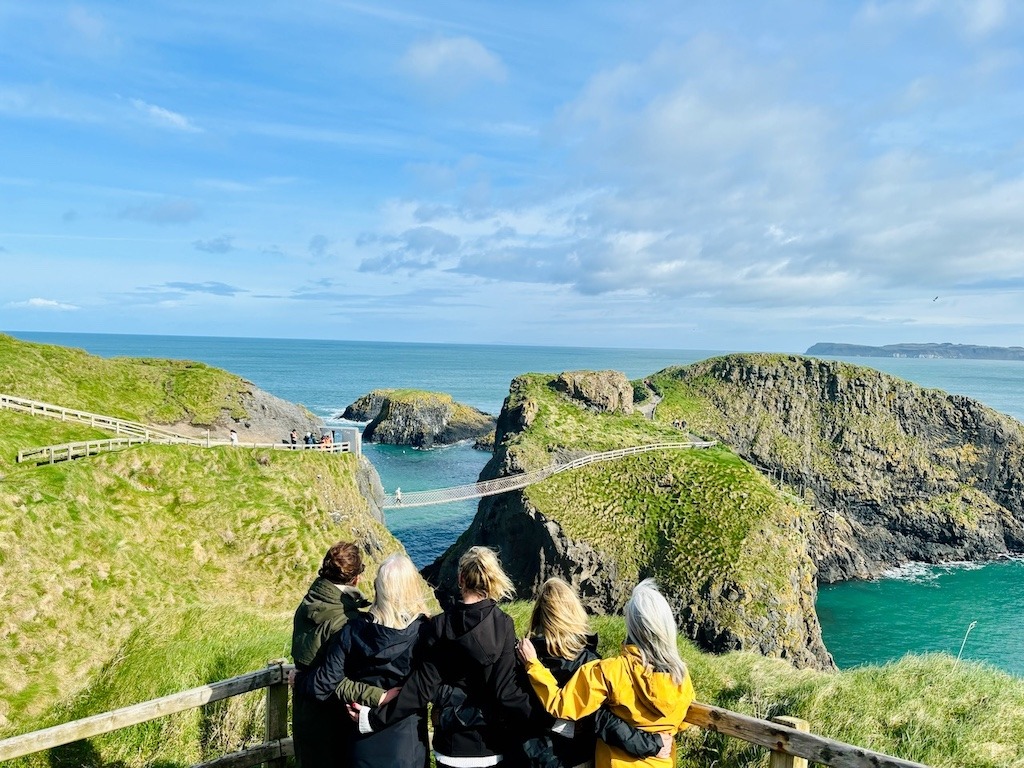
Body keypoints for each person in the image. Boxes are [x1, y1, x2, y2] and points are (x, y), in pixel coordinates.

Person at [354, 546, 532, 767]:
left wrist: (372, 719)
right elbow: (506, 691)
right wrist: (549, 719)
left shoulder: (438, 625)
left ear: (460, 578)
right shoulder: (503, 624)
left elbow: (421, 689)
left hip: (450, 746)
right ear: (491, 580)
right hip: (491, 745)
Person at [517, 579, 695, 768]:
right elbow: (684, 721)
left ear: (631, 625)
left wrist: (533, 665)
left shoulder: (609, 671)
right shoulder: (682, 676)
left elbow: (561, 706)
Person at [301, 554, 431, 768]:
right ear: (413, 587)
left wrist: (303, 678)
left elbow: (324, 684)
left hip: (361, 744)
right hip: (407, 744)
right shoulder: (424, 632)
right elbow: (429, 688)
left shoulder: (353, 630)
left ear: (377, 587)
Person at [290, 541, 380, 768]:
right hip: (335, 721)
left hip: (304, 714)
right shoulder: (348, 622)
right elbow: (334, 681)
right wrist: (380, 696)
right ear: (356, 578)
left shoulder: (307, 604)